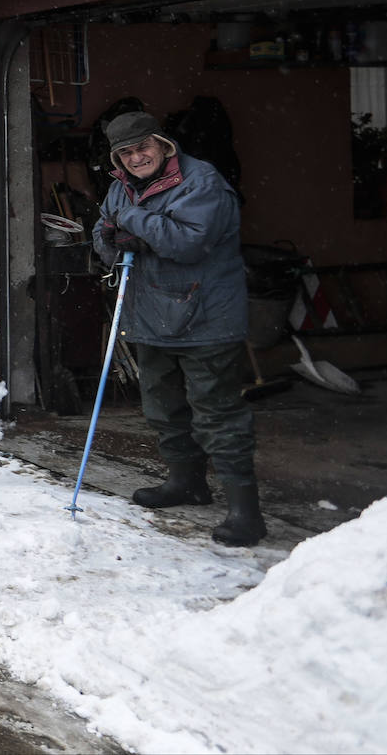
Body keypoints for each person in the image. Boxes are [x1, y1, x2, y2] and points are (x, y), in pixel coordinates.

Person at [92, 110, 266, 547]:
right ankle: (186, 482)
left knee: (217, 415)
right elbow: (102, 232)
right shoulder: (120, 187)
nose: (136, 158)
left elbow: (188, 242)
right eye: (126, 152)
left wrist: (132, 224)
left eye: (143, 147)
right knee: (164, 410)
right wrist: (115, 240)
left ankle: (246, 511)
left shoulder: (201, 181)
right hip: (150, 315)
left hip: (206, 317)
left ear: (163, 144)